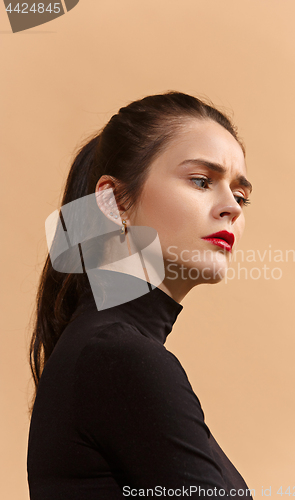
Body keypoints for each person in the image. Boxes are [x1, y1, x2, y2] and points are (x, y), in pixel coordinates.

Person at [27, 91, 253, 499]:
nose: (232, 208)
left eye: (240, 196)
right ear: (114, 202)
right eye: (201, 181)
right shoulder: (119, 357)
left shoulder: (103, 349)